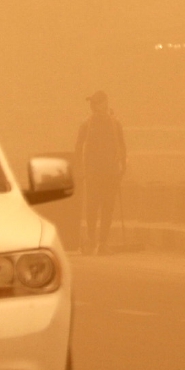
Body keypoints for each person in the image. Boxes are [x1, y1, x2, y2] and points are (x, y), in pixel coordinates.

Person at [73, 91, 127, 254]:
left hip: (111, 172)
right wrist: (80, 170)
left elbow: (122, 148)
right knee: (92, 207)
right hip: (92, 173)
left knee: (108, 207)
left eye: (100, 103)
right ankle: (91, 240)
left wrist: (122, 167)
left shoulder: (115, 124)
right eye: (95, 104)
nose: (97, 107)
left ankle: (103, 243)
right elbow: (78, 148)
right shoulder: (86, 125)